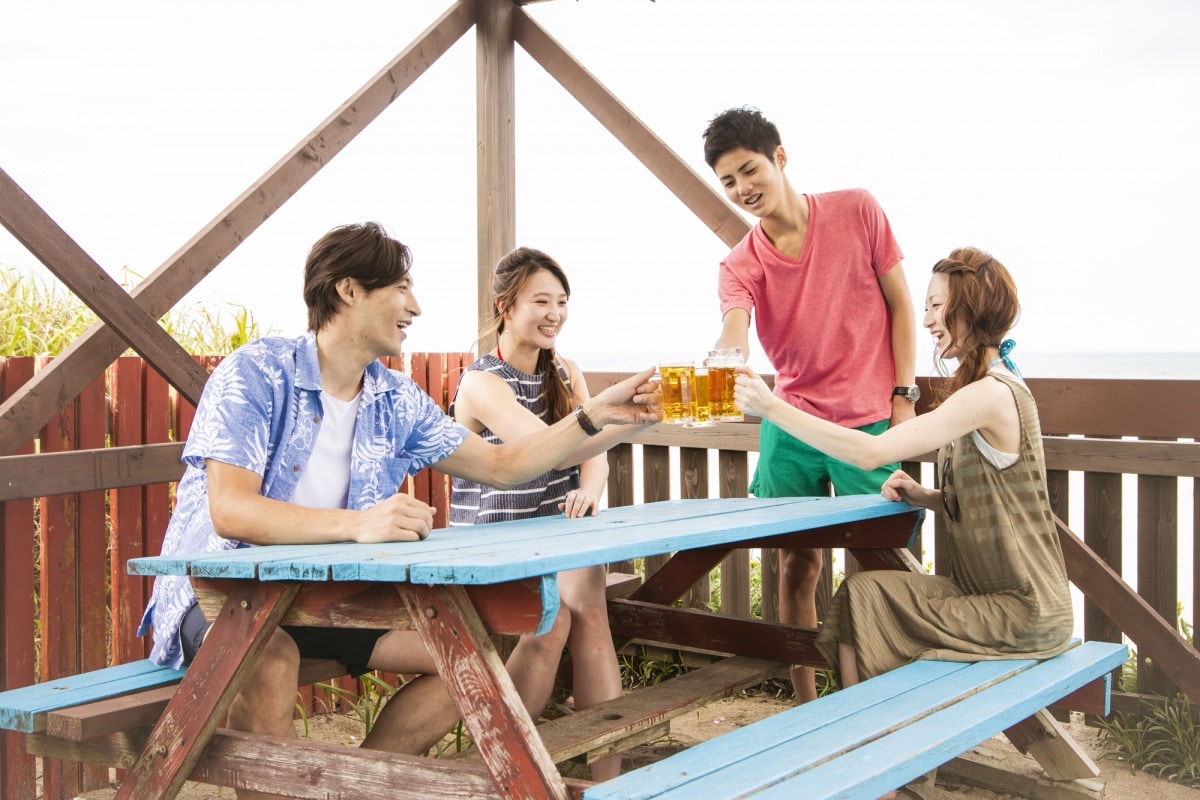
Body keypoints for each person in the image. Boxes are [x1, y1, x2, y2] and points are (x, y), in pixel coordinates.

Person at [137, 222, 660, 800]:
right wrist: (360, 523)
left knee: (468, 659)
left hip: (323, 602)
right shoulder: (254, 374)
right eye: (402, 289)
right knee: (269, 659)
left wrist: (598, 415)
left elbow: (502, 464)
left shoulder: (393, 397)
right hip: (220, 599)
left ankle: (350, 790)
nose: (416, 306)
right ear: (348, 290)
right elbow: (230, 512)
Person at [732, 245, 1074, 691]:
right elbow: (1000, 493)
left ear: (971, 307)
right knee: (861, 596)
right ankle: (864, 729)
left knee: (871, 609)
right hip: (986, 597)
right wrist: (928, 496)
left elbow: (871, 452)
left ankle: (874, 734)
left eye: (936, 306)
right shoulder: (986, 388)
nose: (928, 319)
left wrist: (770, 407)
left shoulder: (989, 394)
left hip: (1024, 611)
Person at [701, 106, 919, 703]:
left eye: (749, 171)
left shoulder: (857, 209)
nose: (743, 189)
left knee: (879, 567)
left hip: (868, 422)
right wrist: (724, 354)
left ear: (780, 157)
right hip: (790, 424)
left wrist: (903, 398)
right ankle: (805, 700)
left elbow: (903, 306)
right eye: (728, 181)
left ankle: (883, 697)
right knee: (798, 567)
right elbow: (734, 328)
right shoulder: (739, 264)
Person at [449, 246, 649, 780]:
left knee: (589, 608)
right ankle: (510, 765)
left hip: (557, 531)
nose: (555, 313)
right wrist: (627, 419)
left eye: (562, 301)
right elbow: (546, 446)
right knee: (553, 618)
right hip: (493, 541)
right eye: (541, 300)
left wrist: (589, 491)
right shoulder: (481, 383)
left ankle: (606, 781)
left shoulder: (567, 370)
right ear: (505, 306)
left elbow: (592, 458)